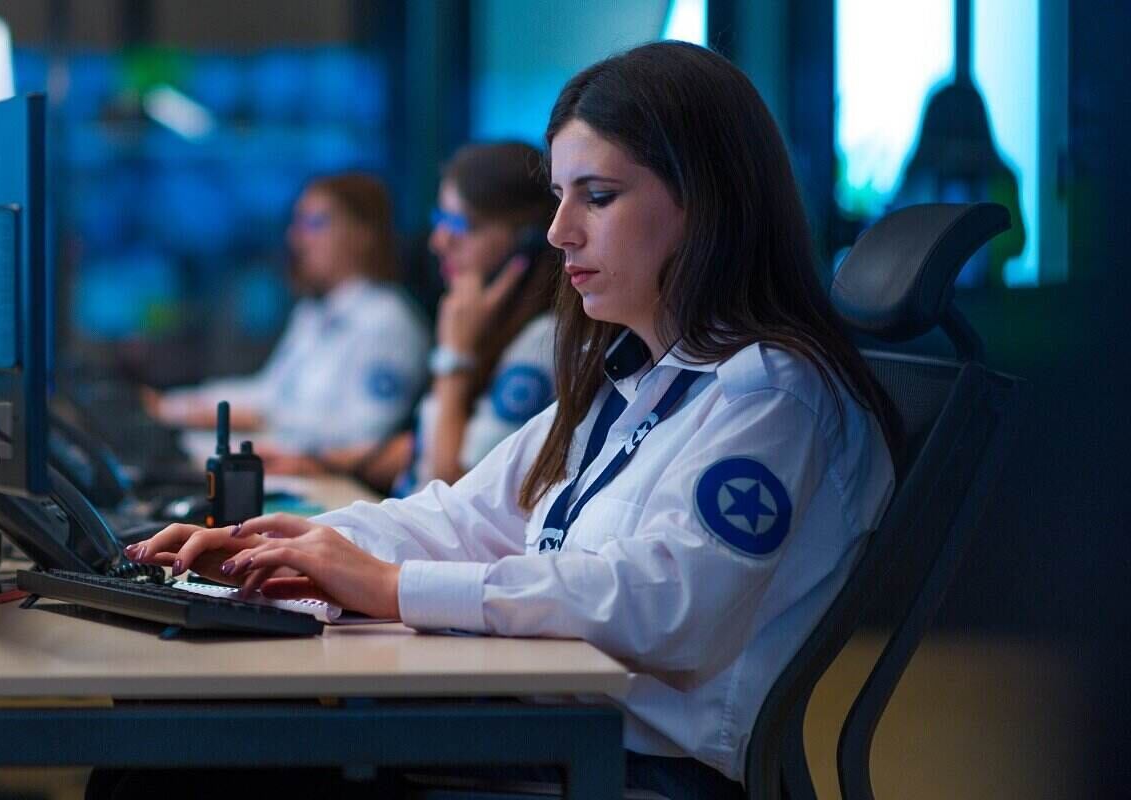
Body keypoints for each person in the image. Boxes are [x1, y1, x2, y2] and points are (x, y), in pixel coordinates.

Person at [125, 41, 902, 798]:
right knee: (172, 745)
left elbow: (663, 604)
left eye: (597, 197)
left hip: (627, 770)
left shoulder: (772, 397)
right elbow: (461, 516)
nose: (562, 229)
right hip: (545, 740)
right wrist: (294, 544)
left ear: (705, 205)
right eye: (560, 197)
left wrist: (394, 587)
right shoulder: (623, 381)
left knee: (178, 765)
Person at [261, 142, 559, 497]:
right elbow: (419, 448)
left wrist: (454, 360)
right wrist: (322, 461)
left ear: (528, 243)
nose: (439, 241)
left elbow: (453, 485)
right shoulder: (491, 327)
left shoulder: (538, 345)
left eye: (461, 225)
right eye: (440, 221)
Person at [147, 173, 428, 454]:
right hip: (285, 465)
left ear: (363, 234)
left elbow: (364, 435)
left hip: (332, 484)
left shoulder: (390, 323)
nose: (296, 238)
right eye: (298, 223)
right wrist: (172, 405)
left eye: (315, 223)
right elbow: (269, 391)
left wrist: (262, 419)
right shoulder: (314, 312)